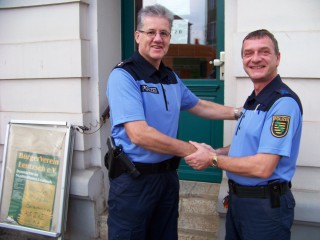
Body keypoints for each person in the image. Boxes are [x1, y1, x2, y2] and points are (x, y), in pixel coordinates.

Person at [106, 4, 240, 240]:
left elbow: (199, 105)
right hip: (134, 182)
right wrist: (194, 151)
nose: (158, 39)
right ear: (138, 36)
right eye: (151, 32)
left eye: (164, 33)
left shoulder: (170, 77)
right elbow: (140, 134)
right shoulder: (124, 76)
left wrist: (239, 113)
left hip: (167, 179)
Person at [185, 29, 303, 240]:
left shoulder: (282, 104)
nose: (255, 58)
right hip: (240, 202)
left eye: (264, 52)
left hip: (264, 208)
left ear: (277, 58)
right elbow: (250, 145)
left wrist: (212, 160)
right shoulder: (253, 99)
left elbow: (263, 166)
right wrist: (218, 151)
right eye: (248, 53)